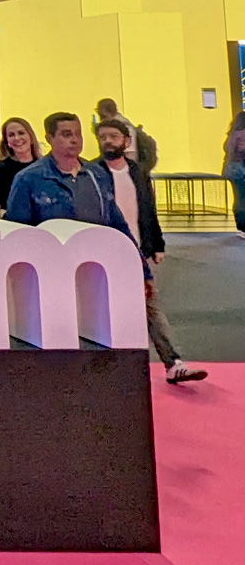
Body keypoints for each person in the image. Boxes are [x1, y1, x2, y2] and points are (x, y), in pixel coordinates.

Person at [94, 119, 205, 383]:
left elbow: (148, 209)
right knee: (105, 310)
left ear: (126, 140)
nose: (108, 141)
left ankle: (173, 362)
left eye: (113, 136)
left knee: (151, 307)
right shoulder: (92, 173)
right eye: (103, 137)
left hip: (138, 252)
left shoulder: (138, 172)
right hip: (105, 253)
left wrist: (157, 244)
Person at [5, 113, 132, 238]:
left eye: (78, 134)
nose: (75, 140)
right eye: (67, 135)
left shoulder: (98, 174)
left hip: (95, 249)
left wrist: (133, 250)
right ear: (50, 138)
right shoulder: (29, 179)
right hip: (49, 250)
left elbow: (117, 223)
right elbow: (17, 233)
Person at [0, 116, 41, 218]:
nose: (17, 138)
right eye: (11, 135)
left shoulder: (45, 167)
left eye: (21, 133)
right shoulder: (1, 169)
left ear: (31, 137)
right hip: (14, 223)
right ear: (7, 142)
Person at [225, 111, 245, 236]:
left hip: (231, 169)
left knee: (238, 198)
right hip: (241, 170)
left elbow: (226, 148)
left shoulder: (232, 134)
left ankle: (240, 226)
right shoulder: (243, 133)